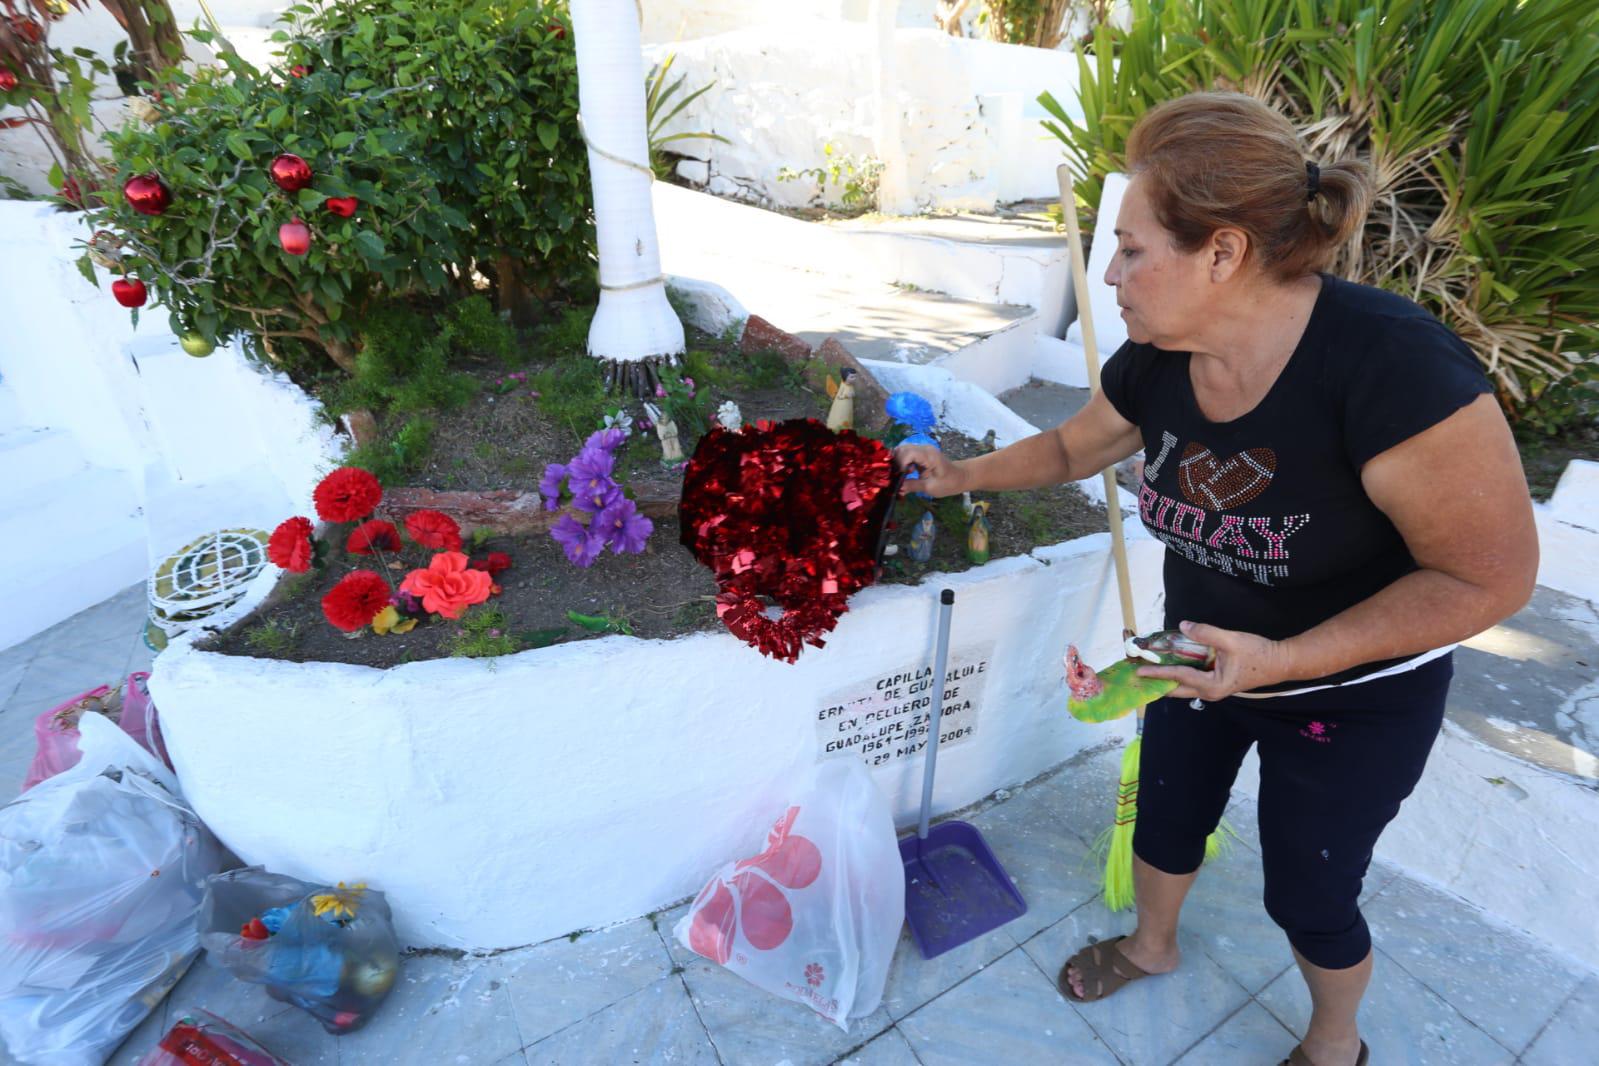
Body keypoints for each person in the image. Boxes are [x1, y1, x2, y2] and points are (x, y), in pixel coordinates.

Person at [894, 91, 1538, 1066]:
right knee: (1166, 813)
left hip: (1350, 691)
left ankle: (1335, 1042)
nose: (1109, 274)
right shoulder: (1159, 358)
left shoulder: (1389, 370)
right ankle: (1151, 947)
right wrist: (959, 474)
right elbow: (1076, 445)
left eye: (1133, 249)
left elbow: (1490, 579)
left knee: (1309, 889)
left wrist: (1283, 658)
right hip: (1196, 656)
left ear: (1225, 252)